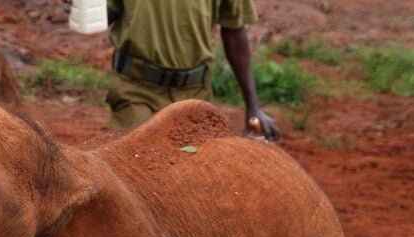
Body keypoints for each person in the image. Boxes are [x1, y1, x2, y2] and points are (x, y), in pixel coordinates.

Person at [105, 0, 282, 140]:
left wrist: (253, 106)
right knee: (137, 163)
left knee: (195, 174)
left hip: (194, 93)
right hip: (137, 88)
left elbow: (234, 30)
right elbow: (101, 14)